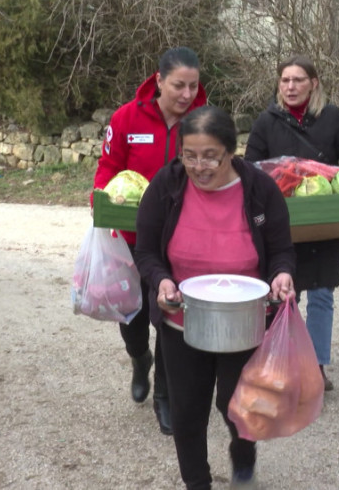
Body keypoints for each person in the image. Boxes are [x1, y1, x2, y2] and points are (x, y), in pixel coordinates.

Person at [133, 106, 295, 490]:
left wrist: (282, 275)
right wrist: (161, 281)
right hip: (182, 321)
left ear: (231, 152)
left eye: (210, 157)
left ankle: (243, 459)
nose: (199, 166)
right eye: (189, 155)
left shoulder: (259, 190)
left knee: (236, 405)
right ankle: (198, 484)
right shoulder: (167, 186)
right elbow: (146, 252)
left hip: (244, 321)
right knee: (187, 413)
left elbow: (282, 251)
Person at [92, 47, 207, 435]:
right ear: (158, 80)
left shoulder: (204, 120)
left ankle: (165, 397)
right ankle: (138, 357)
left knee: (170, 317)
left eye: (194, 85)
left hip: (180, 239)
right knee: (134, 317)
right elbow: (108, 167)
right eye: (179, 85)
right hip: (130, 239)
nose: (187, 94)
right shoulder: (127, 117)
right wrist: (101, 202)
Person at [244, 55, 339, 391]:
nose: (291, 86)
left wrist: (335, 178)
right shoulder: (266, 122)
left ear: (314, 83)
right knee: (281, 297)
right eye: (285, 80)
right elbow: (249, 168)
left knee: (322, 294)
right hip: (282, 229)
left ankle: (316, 368)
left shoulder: (332, 117)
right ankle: (280, 366)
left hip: (325, 226)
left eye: (298, 80)